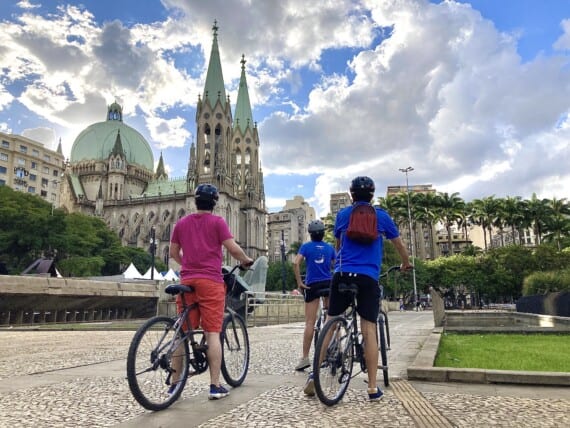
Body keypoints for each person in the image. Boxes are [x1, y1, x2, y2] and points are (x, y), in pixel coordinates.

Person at [326, 176, 412, 401]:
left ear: (351, 194)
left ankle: (313, 376)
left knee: (330, 321)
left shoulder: (342, 215)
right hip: (368, 277)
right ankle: (372, 388)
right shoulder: (381, 216)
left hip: (342, 274)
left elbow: (338, 244)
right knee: (369, 329)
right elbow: (399, 244)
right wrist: (406, 263)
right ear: (372, 195)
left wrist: (337, 263)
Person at [169, 183, 253, 400]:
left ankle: (174, 385)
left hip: (187, 280)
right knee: (212, 332)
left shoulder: (181, 223)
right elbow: (233, 249)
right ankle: (215, 386)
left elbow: (173, 253)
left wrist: (187, 263)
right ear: (215, 203)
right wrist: (245, 260)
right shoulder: (217, 222)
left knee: (182, 332)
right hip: (210, 282)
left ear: (195, 201)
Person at [293, 219, 336, 373]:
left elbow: (296, 263)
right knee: (332, 318)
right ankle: (333, 348)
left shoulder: (306, 247)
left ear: (310, 235)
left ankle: (305, 358)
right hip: (328, 284)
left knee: (309, 323)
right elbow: (336, 265)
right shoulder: (330, 248)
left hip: (312, 285)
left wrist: (300, 282)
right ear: (323, 234)